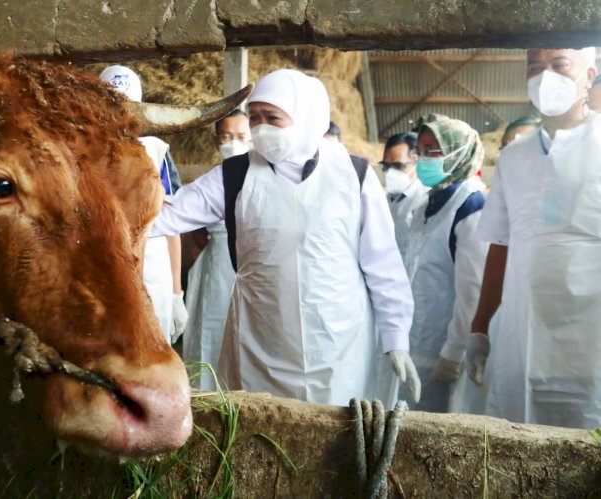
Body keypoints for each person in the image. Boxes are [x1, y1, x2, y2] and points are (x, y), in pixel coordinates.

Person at [152, 68, 421, 407]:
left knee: (336, 436)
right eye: (254, 118)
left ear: (305, 116)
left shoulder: (353, 174)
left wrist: (396, 338)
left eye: (273, 118)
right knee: (262, 429)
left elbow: (382, 264)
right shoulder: (236, 175)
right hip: (260, 340)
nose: (261, 128)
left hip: (339, 340)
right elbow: (165, 215)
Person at [466, 48, 601, 429]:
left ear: (588, 75)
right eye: (534, 68)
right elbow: (500, 245)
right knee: (518, 438)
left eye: (559, 66)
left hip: (590, 335)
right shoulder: (513, 158)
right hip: (522, 332)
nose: (546, 77)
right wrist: (479, 327)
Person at [403, 118, 489, 413]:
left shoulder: (471, 205)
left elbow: (473, 290)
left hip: (443, 349)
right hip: (416, 342)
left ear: (458, 152)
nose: (423, 159)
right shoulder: (430, 200)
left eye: (433, 151)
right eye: (422, 150)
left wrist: (454, 351)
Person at [99, 65, 188, 345]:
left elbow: (171, 224)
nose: (122, 115)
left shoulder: (156, 151)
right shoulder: (82, 149)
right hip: (102, 263)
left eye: (129, 106)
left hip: (153, 266)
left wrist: (176, 293)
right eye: (111, 105)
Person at [183, 110, 248, 390]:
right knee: (209, 327)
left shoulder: (263, 177)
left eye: (241, 137)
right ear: (215, 140)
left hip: (250, 263)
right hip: (214, 265)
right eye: (226, 137)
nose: (233, 143)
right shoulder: (211, 180)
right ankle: (204, 392)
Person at [381, 132, 429, 259]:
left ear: (417, 161)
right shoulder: (387, 199)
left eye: (398, 166)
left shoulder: (425, 199)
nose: (390, 172)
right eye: (386, 166)